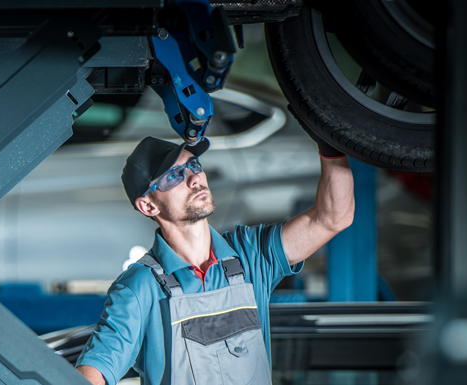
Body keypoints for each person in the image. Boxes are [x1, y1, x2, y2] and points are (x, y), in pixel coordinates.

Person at [74, 133, 355, 385]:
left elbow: (333, 217)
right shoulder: (139, 288)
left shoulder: (249, 254)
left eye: (194, 165)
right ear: (148, 205)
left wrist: (329, 141)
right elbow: (95, 370)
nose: (194, 178)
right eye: (174, 176)